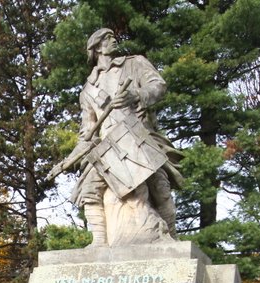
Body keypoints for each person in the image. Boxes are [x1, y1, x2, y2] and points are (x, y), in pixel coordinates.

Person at [66, 27, 183, 246]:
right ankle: (99, 242)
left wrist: (137, 95)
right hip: (108, 147)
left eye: (113, 36)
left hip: (139, 136)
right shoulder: (88, 90)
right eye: (107, 38)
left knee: (160, 188)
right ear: (96, 48)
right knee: (89, 188)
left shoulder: (134, 63)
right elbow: (87, 131)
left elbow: (158, 86)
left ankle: (172, 238)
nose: (114, 40)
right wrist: (72, 157)